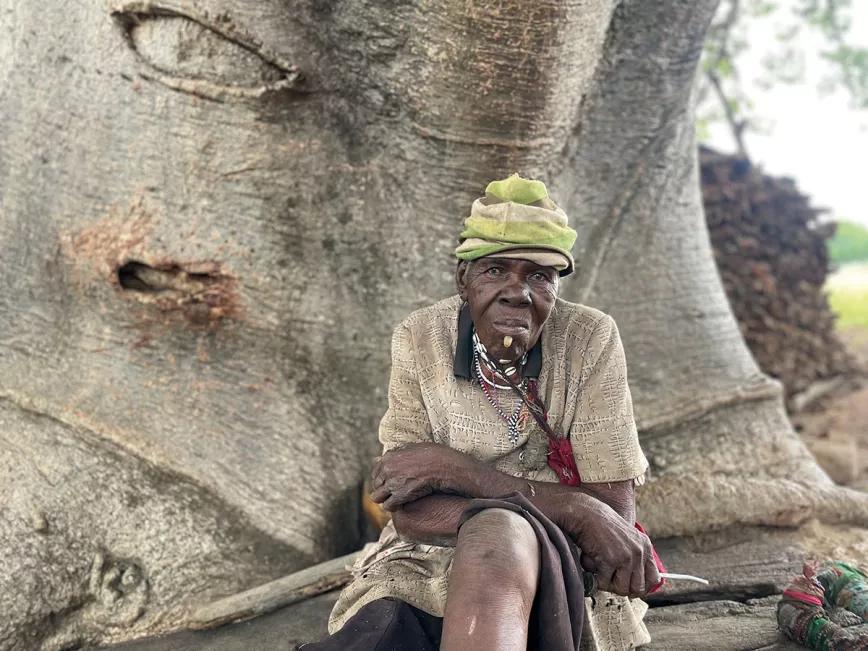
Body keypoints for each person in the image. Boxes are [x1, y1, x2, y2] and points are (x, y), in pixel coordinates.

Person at [306, 174, 659, 651]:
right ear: (463, 279)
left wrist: (452, 470)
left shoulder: (587, 338)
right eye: (495, 270)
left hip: (555, 563)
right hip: (426, 561)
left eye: (538, 275)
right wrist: (572, 507)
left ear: (555, 287)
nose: (517, 291)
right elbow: (410, 512)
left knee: (501, 537)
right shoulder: (420, 336)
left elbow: (610, 516)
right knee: (383, 630)